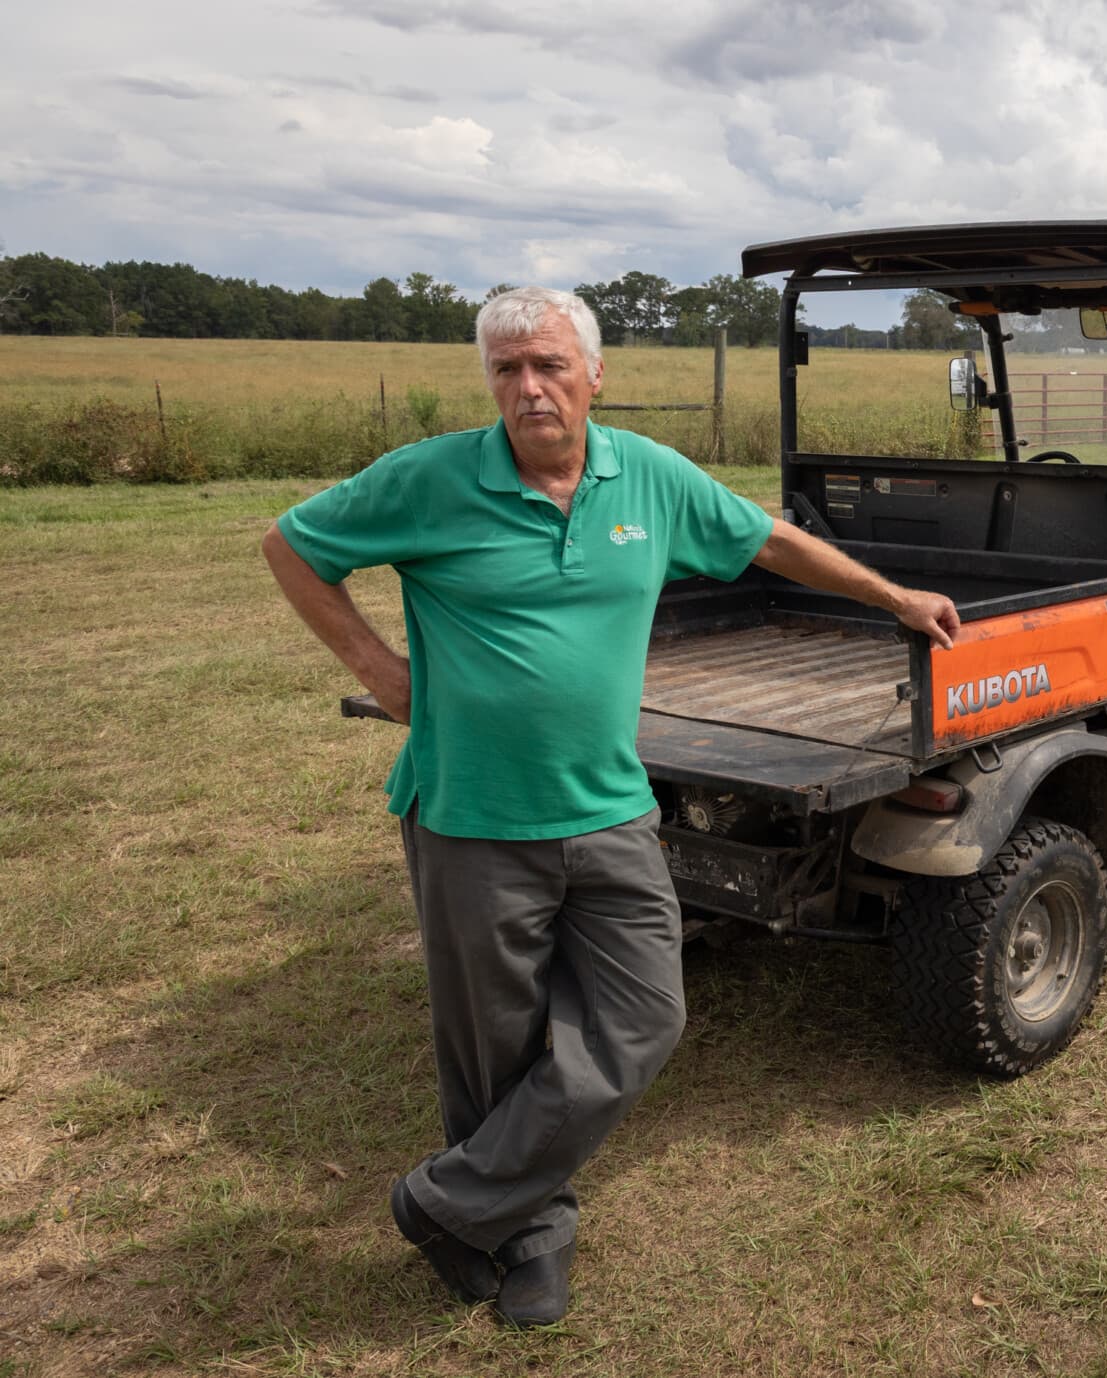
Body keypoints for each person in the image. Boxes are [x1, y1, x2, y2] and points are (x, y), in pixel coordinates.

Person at [262, 286, 958, 1327]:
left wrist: (893, 599)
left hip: (609, 807)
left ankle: (445, 1200)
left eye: (548, 366)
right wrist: (373, 659)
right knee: (493, 1046)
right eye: (507, 370)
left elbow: (767, 541)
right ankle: (526, 1233)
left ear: (595, 375)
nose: (528, 388)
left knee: (644, 1015)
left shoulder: (649, 476)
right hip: (472, 815)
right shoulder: (433, 479)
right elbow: (292, 545)